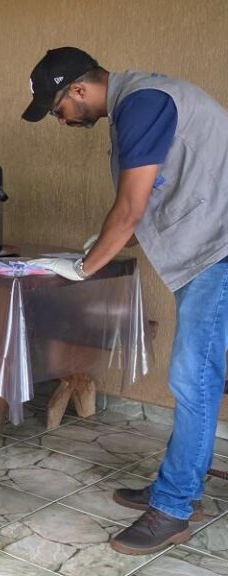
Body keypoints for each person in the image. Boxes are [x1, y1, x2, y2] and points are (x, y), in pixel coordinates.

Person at [22, 47, 228, 555]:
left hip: (220, 252)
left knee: (192, 378)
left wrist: (82, 269)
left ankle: (175, 507)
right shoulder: (139, 103)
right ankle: (176, 487)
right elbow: (150, 203)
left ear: (77, 90)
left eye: (58, 109)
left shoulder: (145, 102)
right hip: (208, 251)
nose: (61, 119)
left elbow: (131, 207)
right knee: (202, 375)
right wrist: (102, 243)